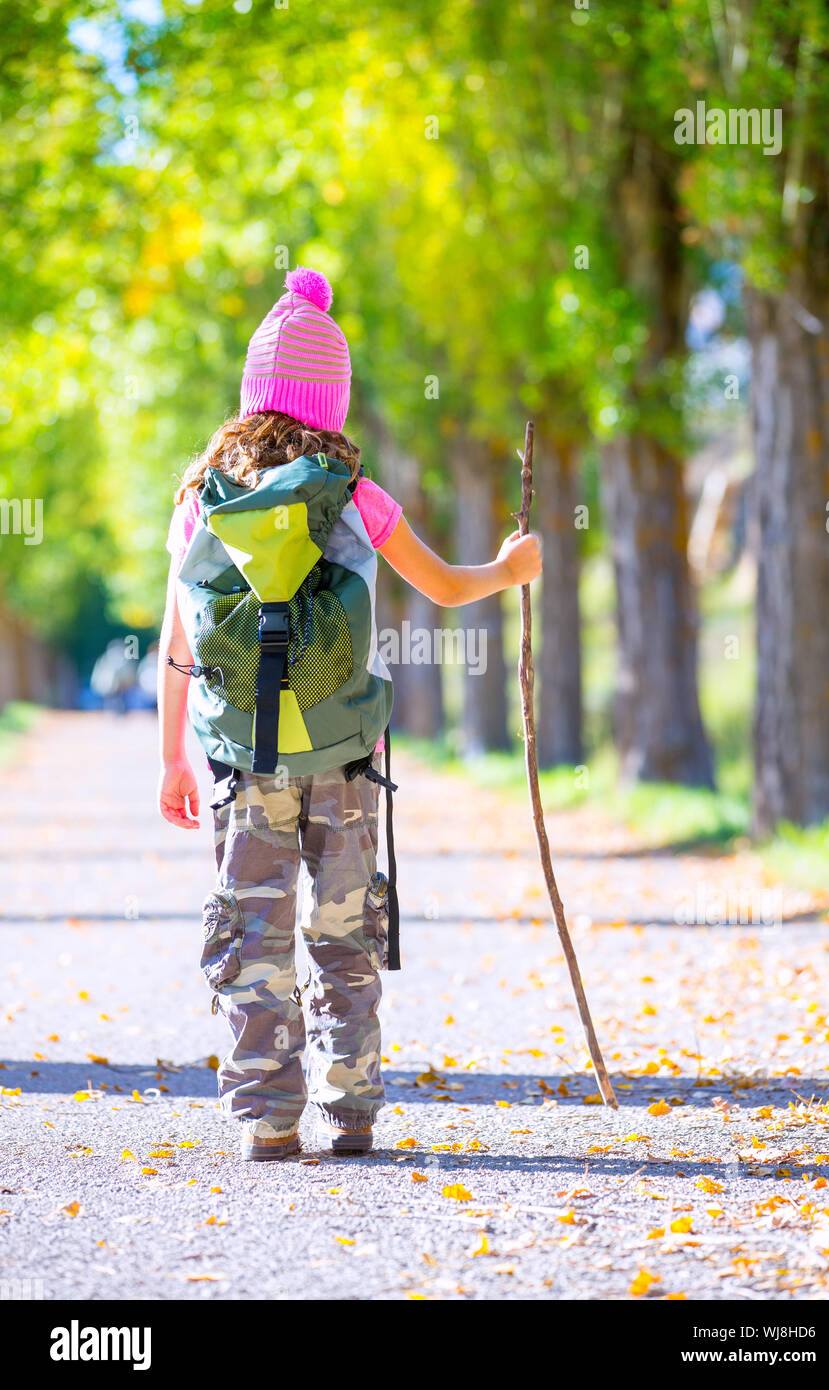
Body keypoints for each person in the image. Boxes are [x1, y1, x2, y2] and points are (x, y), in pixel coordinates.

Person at [157, 266, 541, 1161]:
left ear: (252, 393)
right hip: (344, 756)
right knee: (342, 931)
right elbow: (445, 586)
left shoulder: (200, 497)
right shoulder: (355, 494)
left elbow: (177, 637)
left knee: (252, 936)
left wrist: (171, 756)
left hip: (240, 758)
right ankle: (352, 1106)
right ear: (334, 400)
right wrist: (509, 571)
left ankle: (268, 1119)